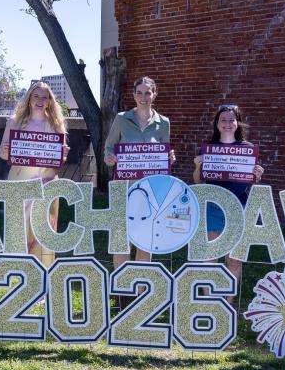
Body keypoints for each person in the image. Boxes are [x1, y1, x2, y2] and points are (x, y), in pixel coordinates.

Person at [104, 76, 176, 270]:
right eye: (139, 93)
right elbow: (109, 147)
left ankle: (141, 283)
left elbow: (164, 153)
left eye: (147, 93)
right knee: (122, 240)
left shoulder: (164, 123)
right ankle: (122, 284)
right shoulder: (121, 119)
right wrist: (109, 158)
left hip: (151, 191)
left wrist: (169, 158)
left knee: (146, 240)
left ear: (154, 94)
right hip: (124, 188)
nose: (143, 97)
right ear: (134, 95)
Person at [193, 104, 264, 291]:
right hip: (213, 207)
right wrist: (198, 167)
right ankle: (209, 301)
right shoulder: (208, 149)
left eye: (231, 120)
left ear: (237, 123)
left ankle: (229, 301)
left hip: (239, 207)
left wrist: (257, 175)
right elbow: (198, 182)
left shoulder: (247, 149)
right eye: (223, 120)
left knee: (234, 259)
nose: (227, 123)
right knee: (210, 257)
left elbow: (251, 181)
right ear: (216, 124)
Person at [0, 82, 69, 268]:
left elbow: (60, 160)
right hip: (19, 182)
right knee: (18, 230)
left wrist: (63, 155)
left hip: (47, 184)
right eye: (36, 96)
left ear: (49, 101)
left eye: (44, 97)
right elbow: (2, 153)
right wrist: (5, 150)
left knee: (44, 230)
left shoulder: (56, 124)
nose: (40, 100)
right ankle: (19, 272)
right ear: (29, 98)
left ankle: (44, 273)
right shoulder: (14, 122)